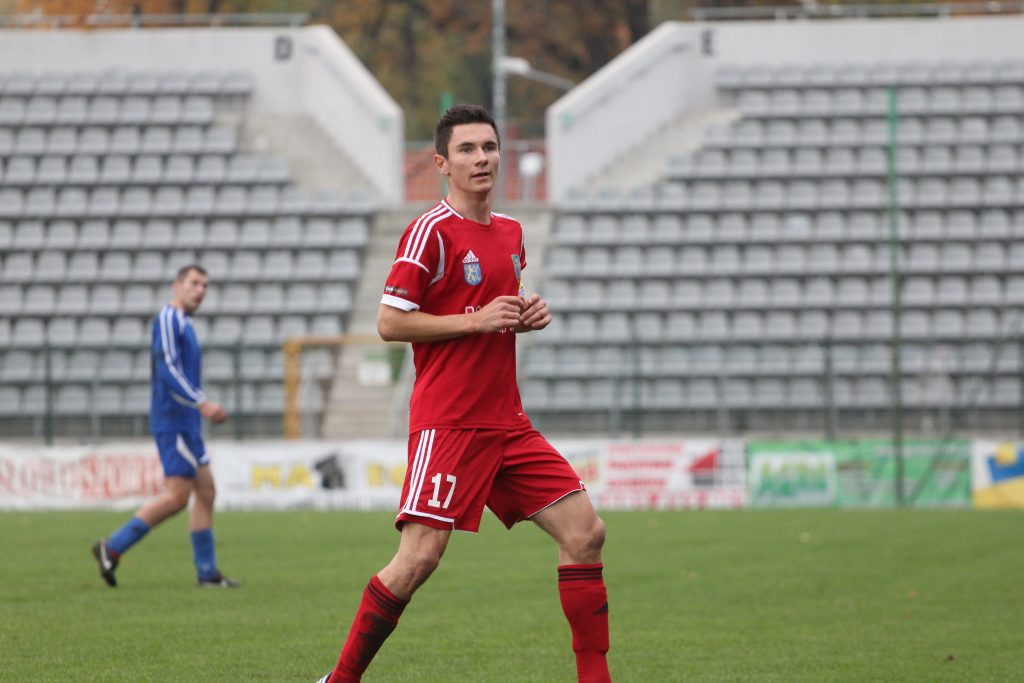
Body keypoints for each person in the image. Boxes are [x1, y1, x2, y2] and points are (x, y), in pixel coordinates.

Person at [317, 104, 611, 682]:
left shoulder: (511, 233)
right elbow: (389, 323)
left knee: (586, 534)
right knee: (419, 559)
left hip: (507, 422)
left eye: (489, 147)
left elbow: (497, 308)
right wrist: (475, 321)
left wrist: (524, 313)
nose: (482, 159)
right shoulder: (429, 231)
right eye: (468, 150)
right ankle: (340, 680)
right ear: (442, 164)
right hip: (449, 424)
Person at [91, 264, 239, 588]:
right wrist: (201, 401)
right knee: (177, 495)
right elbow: (167, 367)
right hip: (174, 421)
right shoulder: (169, 318)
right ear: (177, 285)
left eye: (204, 286)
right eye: (194, 283)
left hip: (185, 423)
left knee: (206, 491)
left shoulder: (184, 323)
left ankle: (207, 573)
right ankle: (112, 547)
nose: (200, 290)